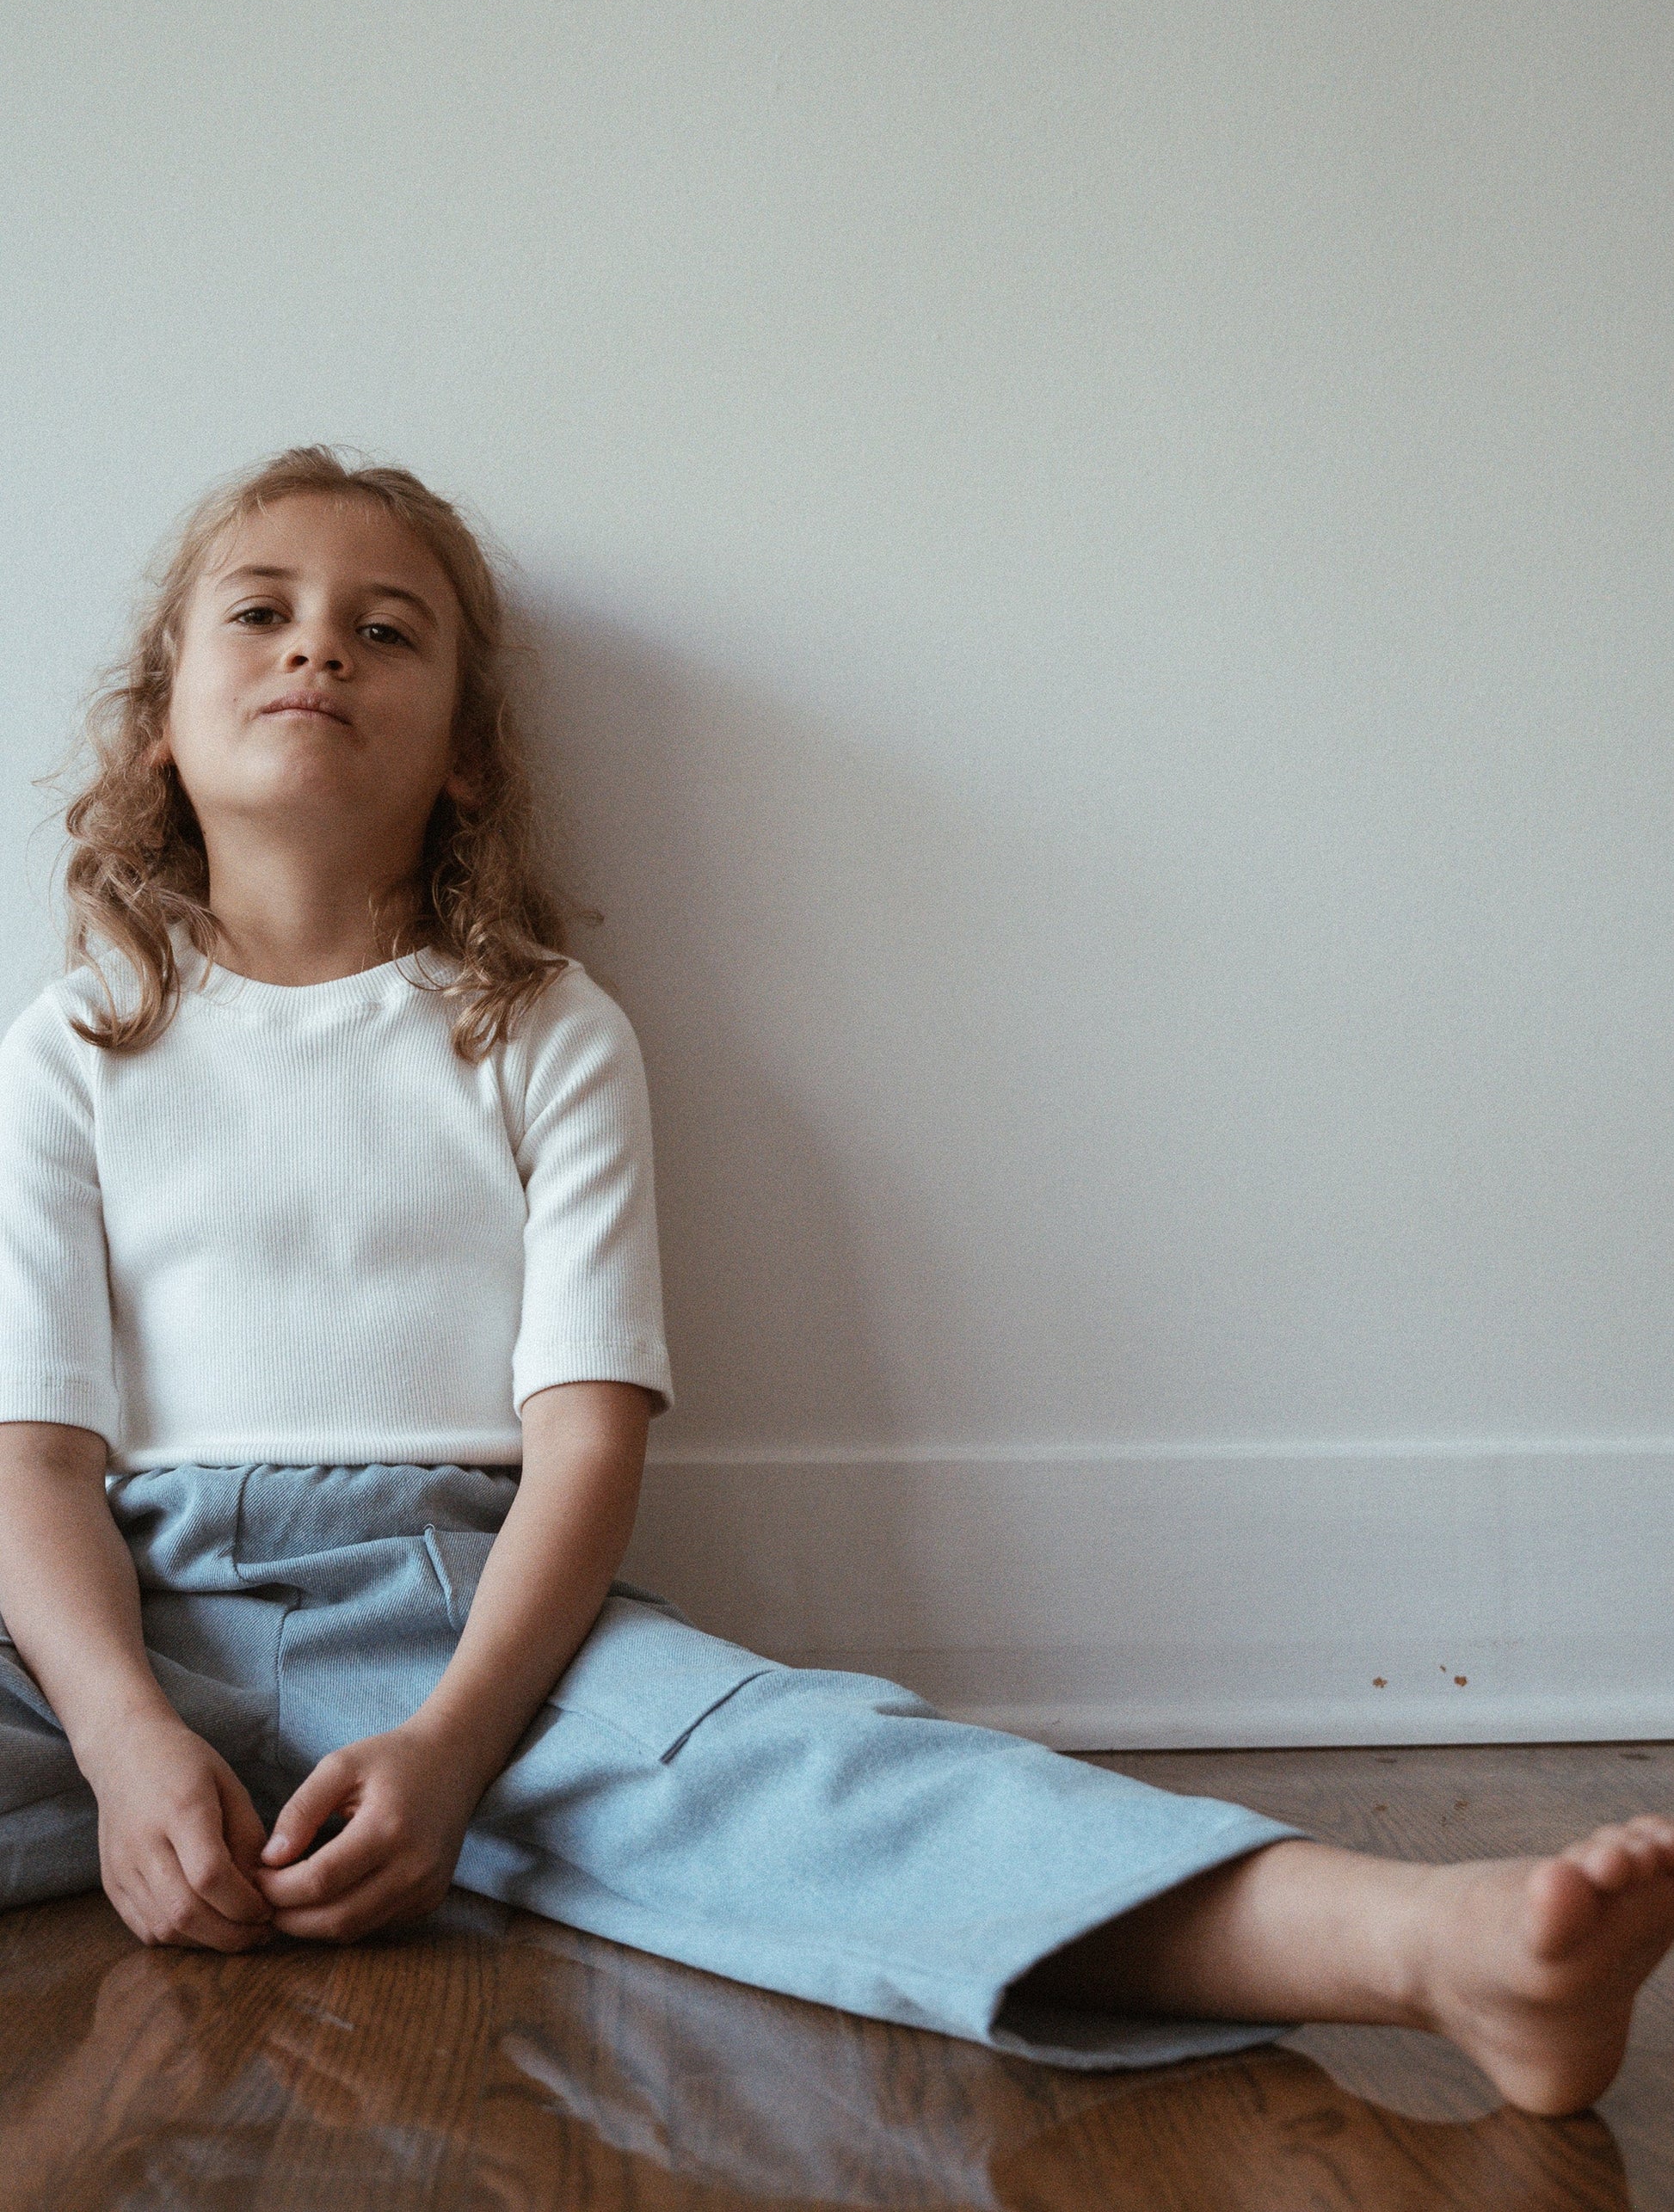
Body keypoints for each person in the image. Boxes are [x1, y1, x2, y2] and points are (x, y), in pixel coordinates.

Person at [0, 448, 1669, 2124]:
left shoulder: (541, 1029)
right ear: (160, 716)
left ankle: (1432, 1943)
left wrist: (449, 1744)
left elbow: (584, 1442)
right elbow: (34, 1460)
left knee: (833, 1776)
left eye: (385, 629)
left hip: (466, 1609)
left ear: (465, 759)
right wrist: (126, 1730)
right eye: (263, 613)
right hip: (118, 1616)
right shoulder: (74, 1046)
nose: (319, 652)